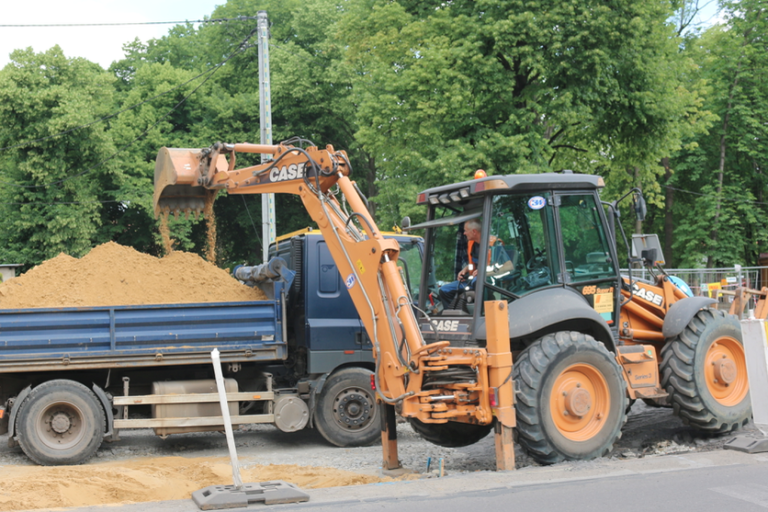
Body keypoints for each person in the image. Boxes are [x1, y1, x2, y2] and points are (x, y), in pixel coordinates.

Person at [438, 218, 514, 309]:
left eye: (466, 231)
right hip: (473, 280)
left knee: (476, 282)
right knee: (444, 290)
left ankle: (481, 313)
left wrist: (486, 273)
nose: (464, 233)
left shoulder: (494, 244)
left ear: (474, 231)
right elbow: (474, 262)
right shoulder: (472, 244)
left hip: (489, 281)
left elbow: (509, 266)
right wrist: (464, 270)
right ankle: (456, 315)